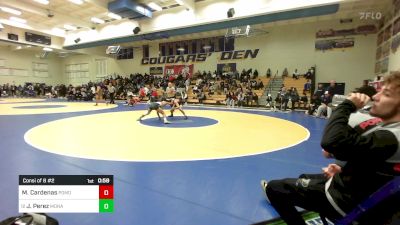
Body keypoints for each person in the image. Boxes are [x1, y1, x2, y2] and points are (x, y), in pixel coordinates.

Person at [260, 72, 400, 225]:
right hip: (358, 190)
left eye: (385, 94)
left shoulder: (390, 138)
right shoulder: (391, 132)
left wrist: (347, 105)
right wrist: (345, 170)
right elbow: (378, 166)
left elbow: (330, 143)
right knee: (303, 176)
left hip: (344, 201)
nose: (375, 97)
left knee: (275, 188)